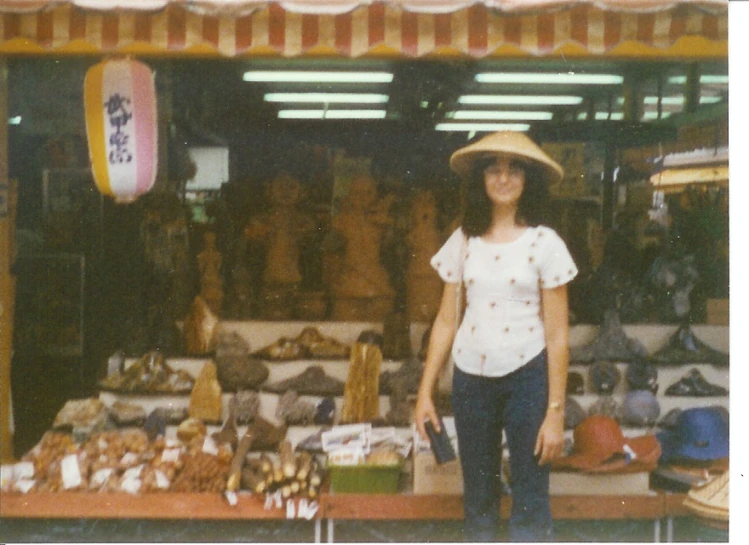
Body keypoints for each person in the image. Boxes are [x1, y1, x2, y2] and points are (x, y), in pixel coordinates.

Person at [414, 131, 578, 542]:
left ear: (529, 181)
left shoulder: (546, 244)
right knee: (479, 499)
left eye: (514, 169)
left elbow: (558, 336)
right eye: (494, 169)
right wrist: (425, 391)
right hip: (471, 379)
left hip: (528, 376)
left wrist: (554, 412)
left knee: (530, 498)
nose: (503, 178)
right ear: (481, 180)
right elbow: (446, 321)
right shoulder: (464, 240)